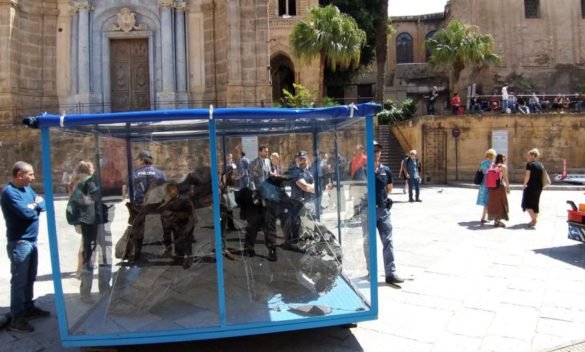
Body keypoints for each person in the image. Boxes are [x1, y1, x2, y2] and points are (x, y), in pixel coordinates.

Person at [1, 161, 50, 332]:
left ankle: (28, 308)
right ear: (19, 175)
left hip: (32, 241)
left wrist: (34, 205)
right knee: (19, 282)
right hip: (20, 243)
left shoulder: (27, 189)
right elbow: (26, 214)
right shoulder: (9, 192)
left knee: (30, 277)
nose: (33, 177)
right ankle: (17, 319)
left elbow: (42, 203)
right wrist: (34, 206)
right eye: (30, 174)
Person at [361, 141, 403, 285]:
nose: (376, 153)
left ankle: (390, 273)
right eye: (373, 151)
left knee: (388, 241)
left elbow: (389, 187)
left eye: (378, 150)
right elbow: (356, 189)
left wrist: (382, 197)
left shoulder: (386, 170)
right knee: (368, 242)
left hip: (383, 210)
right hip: (368, 210)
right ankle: (371, 271)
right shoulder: (363, 170)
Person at [131, 150, 166, 262]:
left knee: (138, 229)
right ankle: (168, 249)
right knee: (166, 226)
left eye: (138, 160)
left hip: (141, 207)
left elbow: (131, 191)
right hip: (157, 206)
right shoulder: (160, 173)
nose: (137, 162)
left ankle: (137, 252)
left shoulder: (135, 174)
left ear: (142, 160)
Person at [243, 146, 277, 261]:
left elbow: (270, 175)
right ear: (260, 152)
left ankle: (272, 249)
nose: (267, 153)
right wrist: (254, 192)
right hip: (256, 197)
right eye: (265, 151)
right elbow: (251, 179)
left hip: (268, 196)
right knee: (253, 224)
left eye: (268, 151)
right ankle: (249, 247)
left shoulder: (268, 162)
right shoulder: (253, 163)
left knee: (269, 224)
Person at [522, 148, 546, 227]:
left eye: (529, 155)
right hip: (539, 186)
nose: (527, 157)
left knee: (526, 203)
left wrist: (524, 184)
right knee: (535, 204)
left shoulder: (529, 164)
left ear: (533, 155)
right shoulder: (540, 164)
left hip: (531, 186)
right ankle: (533, 220)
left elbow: (527, 175)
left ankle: (534, 220)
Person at [487, 154, 510, 227]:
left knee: (494, 203)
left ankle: (496, 220)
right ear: (502, 159)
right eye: (504, 159)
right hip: (500, 187)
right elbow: (505, 178)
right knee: (501, 203)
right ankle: (498, 221)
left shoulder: (492, 165)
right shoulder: (503, 167)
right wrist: (508, 187)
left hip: (491, 187)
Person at [477, 148, 496, 223]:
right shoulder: (491, 164)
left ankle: (487, 216)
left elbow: (480, 171)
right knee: (488, 201)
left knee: (486, 201)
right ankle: (483, 217)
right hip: (489, 183)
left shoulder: (482, 163)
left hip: (483, 183)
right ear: (491, 156)